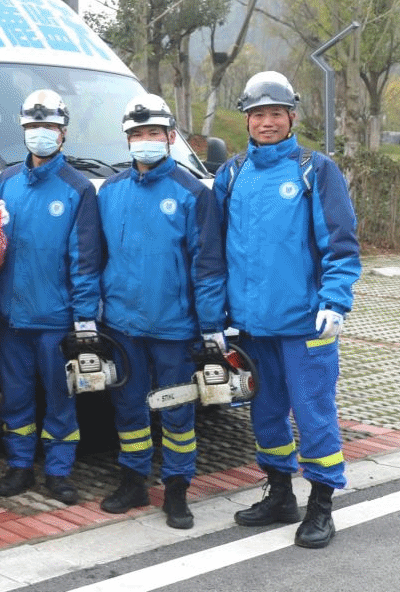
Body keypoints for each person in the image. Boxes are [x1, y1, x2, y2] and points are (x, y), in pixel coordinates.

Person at [216, 72, 360, 549]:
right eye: (258, 114)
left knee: (313, 413)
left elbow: (341, 245)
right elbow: (214, 250)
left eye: (276, 113)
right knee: (266, 413)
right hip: (251, 327)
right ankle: (280, 494)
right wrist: (217, 315)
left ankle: (321, 505)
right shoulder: (231, 174)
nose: (267, 122)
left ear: (292, 117)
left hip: (305, 324)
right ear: (247, 120)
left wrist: (335, 301)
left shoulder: (315, 170)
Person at [96, 94, 226, 529]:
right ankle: (133, 481)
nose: (145, 140)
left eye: (153, 132)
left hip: (174, 326)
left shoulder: (193, 193)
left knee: (177, 410)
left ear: (170, 137)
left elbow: (207, 266)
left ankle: (176, 489)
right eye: (137, 134)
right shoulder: (110, 192)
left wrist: (211, 326)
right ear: (127, 140)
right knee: (128, 408)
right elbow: (97, 257)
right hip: (122, 325)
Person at [0, 89, 102, 507]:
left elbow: (85, 260)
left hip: (56, 319)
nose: (41, 133)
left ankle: (58, 471)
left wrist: (84, 319)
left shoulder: (78, 188)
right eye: (34, 125)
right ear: (23, 130)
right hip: (12, 317)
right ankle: (19, 465)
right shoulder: (5, 181)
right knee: (15, 398)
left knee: (60, 399)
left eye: (50, 126)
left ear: (63, 132)